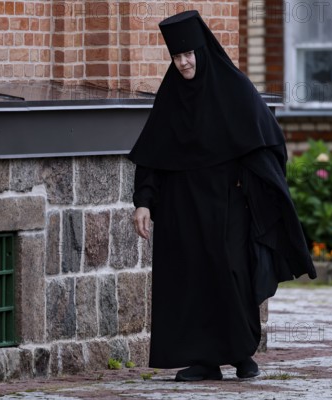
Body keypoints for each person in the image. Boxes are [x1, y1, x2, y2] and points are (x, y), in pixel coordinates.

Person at [128, 10, 316, 382]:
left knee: (232, 274)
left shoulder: (234, 89)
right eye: (176, 57)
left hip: (228, 206)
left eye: (188, 55)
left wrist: (256, 184)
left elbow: (267, 142)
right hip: (182, 208)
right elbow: (153, 157)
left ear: (202, 50)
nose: (183, 63)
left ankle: (242, 354)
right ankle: (203, 360)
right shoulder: (171, 98)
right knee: (191, 280)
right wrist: (144, 202)